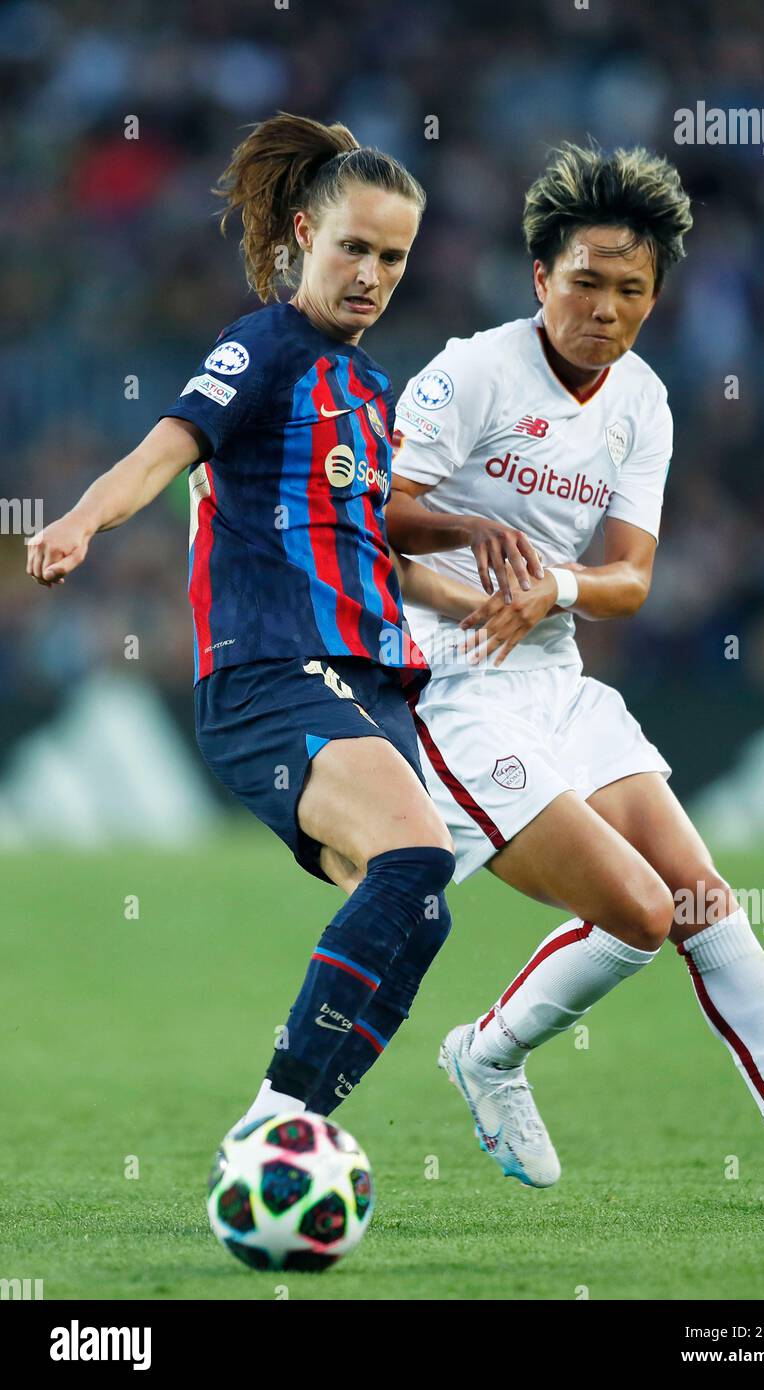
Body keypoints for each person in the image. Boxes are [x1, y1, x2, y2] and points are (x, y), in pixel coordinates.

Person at [328, 140, 764, 1214]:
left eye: (629, 289)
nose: (603, 308)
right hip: (457, 686)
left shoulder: (644, 404)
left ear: (654, 297)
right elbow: (372, 515)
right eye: (583, 281)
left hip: (560, 681)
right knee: (639, 912)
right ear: (539, 278)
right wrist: (477, 570)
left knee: (703, 900)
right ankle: (485, 1052)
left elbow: (627, 580)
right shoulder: (472, 371)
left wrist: (551, 593)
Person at [24, 112, 488, 1136]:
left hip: (369, 685)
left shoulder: (367, 386)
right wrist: (81, 520)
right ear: (299, 242)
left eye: (393, 257)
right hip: (274, 671)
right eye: (352, 247)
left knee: (419, 906)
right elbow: (167, 445)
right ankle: (275, 1115)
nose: (370, 272)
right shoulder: (265, 345)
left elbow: (364, 552)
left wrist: (476, 597)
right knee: (415, 861)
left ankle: (295, 1134)